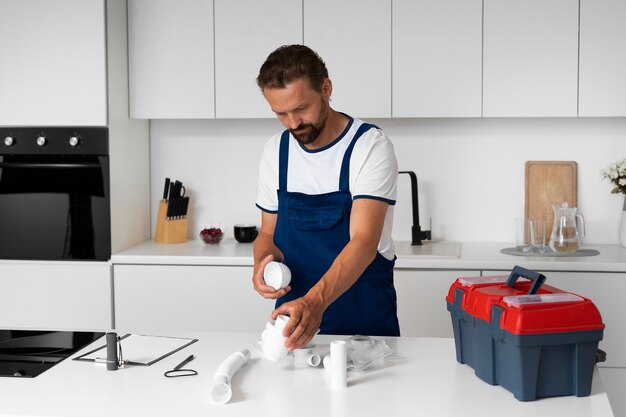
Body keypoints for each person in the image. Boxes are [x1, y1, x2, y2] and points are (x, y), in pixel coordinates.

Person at [253, 44, 400, 351]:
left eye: (301, 108)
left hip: (365, 330)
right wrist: (261, 265)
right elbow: (268, 233)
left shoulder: (368, 146)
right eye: (281, 113)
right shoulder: (276, 152)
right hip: (295, 328)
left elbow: (363, 241)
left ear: (326, 88)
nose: (293, 123)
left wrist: (315, 302)